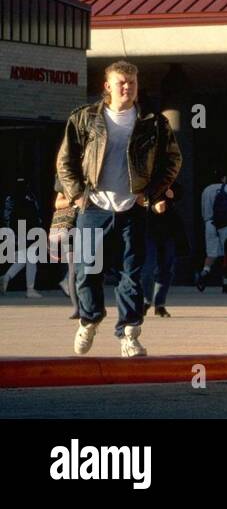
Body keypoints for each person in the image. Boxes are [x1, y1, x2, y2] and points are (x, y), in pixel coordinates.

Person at [57, 59, 182, 357]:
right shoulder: (84, 118)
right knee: (88, 271)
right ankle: (89, 320)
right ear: (107, 87)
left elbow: (172, 161)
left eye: (132, 83)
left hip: (132, 208)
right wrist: (76, 194)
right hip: (94, 206)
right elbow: (66, 160)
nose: (127, 87)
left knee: (132, 273)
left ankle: (129, 334)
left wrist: (150, 194)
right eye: (121, 83)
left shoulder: (153, 122)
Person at [141, 183, 184, 316]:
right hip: (148, 229)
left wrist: (173, 193)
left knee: (166, 269)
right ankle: (146, 300)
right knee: (148, 268)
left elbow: (179, 192)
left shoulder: (169, 179)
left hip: (168, 230)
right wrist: (153, 208)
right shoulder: (144, 180)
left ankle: (159, 304)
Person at [198, 172, 227, 294]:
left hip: (210, 223)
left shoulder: (206, 190)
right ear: (223, 178)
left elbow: (203, 210)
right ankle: (226, 282)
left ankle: (205, 272)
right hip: (226, 225)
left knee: (211, 253)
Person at [1, 178, 44, 298]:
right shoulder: (20, 198)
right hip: (22, 232)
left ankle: (7, 278)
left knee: (25, 259)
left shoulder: (24, 197)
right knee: (29, 258)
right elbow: (32, 216)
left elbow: (35, 215)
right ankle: (29, 289)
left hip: (25, 232)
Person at [50, 182, 81, 318]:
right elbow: (58, 203)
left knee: (92, 268)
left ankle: (92, 304)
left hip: (93, 224)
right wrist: (75, 199)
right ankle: (78, 308)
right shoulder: (67, 175)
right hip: (71, 226)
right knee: (73, 269)